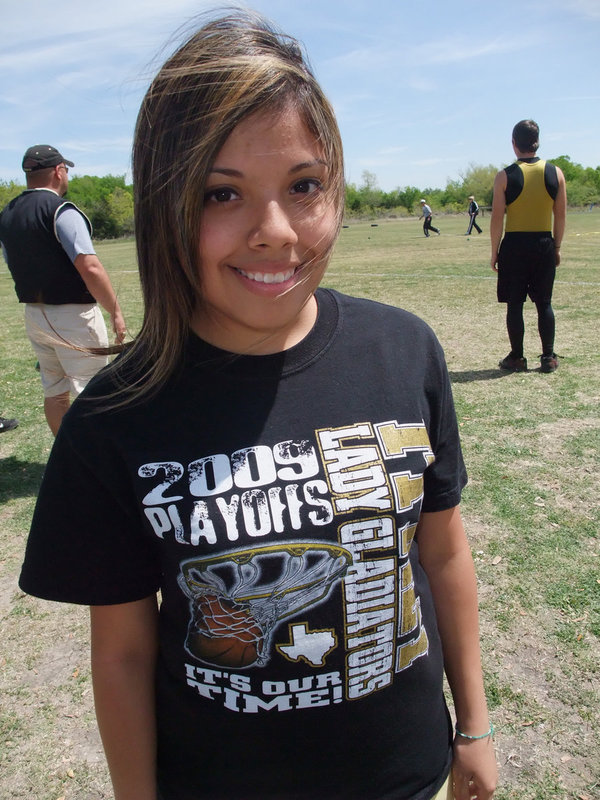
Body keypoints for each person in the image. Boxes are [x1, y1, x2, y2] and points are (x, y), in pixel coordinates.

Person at [18, 12, 497, 800]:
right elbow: (125, 653)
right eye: (222, 193)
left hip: (405, 773)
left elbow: (442, 553)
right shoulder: (115, 416)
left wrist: (473, 725)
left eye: (303, 186)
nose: (275, 232)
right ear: (169, 203)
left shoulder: (404, 350)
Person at [0, 145, 127, 435]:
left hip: (34, 314)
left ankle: (65, 457)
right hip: (73, 315)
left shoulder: (7, 214)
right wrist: (115, 311)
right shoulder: (60, 210)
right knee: (92, 391)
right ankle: (94, 465)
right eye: (66, 170)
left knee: (55, 390)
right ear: (58, 171)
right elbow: (90, 267)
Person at [490, 120, 566, 373]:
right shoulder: (556, 173)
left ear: (514, 143)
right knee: (544, 302)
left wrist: (495, 252)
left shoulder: (504, 176)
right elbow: (561, 215)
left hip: (514, 246)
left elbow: (497, 218)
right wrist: (556, 247)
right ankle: (548, 357)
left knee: (515, 303)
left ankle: (517, 358)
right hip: (544, 243)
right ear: (537, 141)